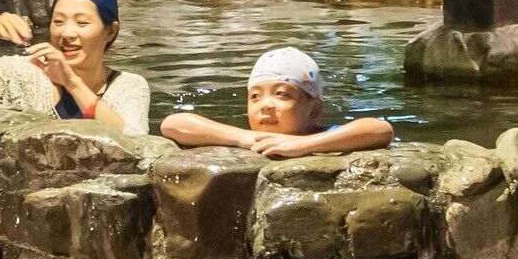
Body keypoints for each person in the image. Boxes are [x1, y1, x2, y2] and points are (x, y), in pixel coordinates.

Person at [161, 46, 393, 159]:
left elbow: (380, 130)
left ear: (315, 109)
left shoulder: (328, 135)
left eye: (281, 94)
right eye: (255, 96)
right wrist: (242, 138)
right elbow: (172, 124)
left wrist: (303, 145)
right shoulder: (252, 138)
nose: (266, 105)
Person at [29, 0, 153, 132]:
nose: (67, 33)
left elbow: (134, 140)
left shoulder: (128, 86)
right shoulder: (31, 74)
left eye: (82, 23)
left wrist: (73, 83)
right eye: (58, 21)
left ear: (110, 31)